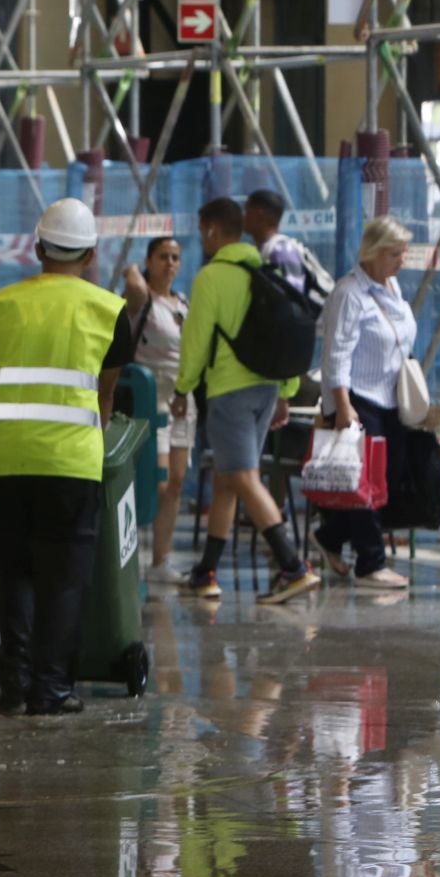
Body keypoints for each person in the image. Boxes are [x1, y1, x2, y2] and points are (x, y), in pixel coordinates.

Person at [0, 198, 134, 716]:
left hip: (5, 458)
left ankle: (13, 680)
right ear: (91, 255)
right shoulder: (108, 312)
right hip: (70, 461)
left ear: (37, 249)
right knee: (63, 577)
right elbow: (106, 396)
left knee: (12, 569)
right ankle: (51, 687)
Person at [171, 197, 319, 604]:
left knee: (242, 478)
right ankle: (205, 573)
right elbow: (285, 335)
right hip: (267, 390)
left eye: (203, 231)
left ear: (214, 230)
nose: (202, 238)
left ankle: (292, 567)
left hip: (230, 393)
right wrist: (287, 393)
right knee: (227, 478)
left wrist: (183, 389)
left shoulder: (211, 278)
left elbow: (196, 343)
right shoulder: (265, 271)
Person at [313, 217, 417, 588]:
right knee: (366, 482)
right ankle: (371, 563)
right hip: (358, 399)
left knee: (385, 480)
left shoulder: (392, 288)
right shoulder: (349, 294)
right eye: (394, 253)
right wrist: (342, 406)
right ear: (372, 253)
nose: (401, 260)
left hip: (391, 398)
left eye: (403, 253)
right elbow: (336, 354)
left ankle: (327, 538)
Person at [122, 236, 193, 580]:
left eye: (176, 257)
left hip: (182, 397)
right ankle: (129, 551)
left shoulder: (183, 303)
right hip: (150, 398)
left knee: (177, 480)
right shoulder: (141, 300)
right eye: (163, 256)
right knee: (157, 481)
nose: (170, 263)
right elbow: (133, 283)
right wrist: (135, 268)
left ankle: (161, 560)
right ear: (150, 260)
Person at [244, 189, 333, 308]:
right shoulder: (260, 250)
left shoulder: (283, 251)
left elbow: (294, 302)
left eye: (247, 210)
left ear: (259, 215)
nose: (243, 216)